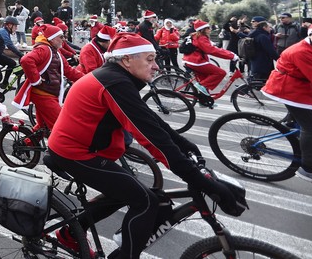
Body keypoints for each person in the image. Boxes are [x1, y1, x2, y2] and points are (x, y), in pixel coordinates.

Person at [47, 33, 240, 258]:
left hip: (85, 148)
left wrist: (184, 144)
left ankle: (70, 233)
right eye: (149, 59)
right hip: (74, 152)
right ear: (127, 60)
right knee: (145, 202)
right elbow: (152, 138)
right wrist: (204, 184)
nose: (156, 66)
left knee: (126, 192)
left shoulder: (118, 77)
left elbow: (149, 120)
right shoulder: (115, 82)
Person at [261, 26, 312, 182]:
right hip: (286, 89)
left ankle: (294, 124)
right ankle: (308, 168)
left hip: (300, 85)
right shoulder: (301, 52)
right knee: (311, 128)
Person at [12, 25, 83, 133]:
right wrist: (36, 80)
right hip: (43, 94)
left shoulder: (56, 52)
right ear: (52, 38)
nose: (63, 40)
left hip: (48, 93)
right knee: (61, 126)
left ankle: (29, 143)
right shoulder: (44, 49)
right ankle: (57, 149)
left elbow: (69, 71)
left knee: (43, 126)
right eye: (61, 37)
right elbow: (26, 60)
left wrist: (88, 79)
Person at [182, 20, 239, 95]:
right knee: (220, 73)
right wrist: (231, 56)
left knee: (205, 80)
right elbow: (211, 50)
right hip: (196, 61)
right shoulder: (201, 38)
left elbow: (208, 47)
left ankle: (205, 101)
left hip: (190, 60)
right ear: (203, 30)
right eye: (208, 28)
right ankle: (201, 86)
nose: (210, 29)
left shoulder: (196, 35)